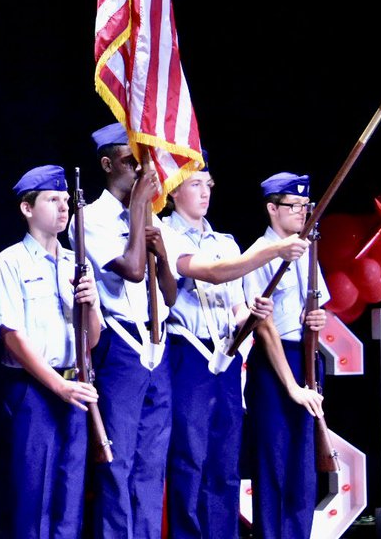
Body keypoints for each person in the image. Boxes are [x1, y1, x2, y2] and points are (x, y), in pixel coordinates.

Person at [158, 160, 307, 539]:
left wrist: (253, 315)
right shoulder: (165, 233)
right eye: (194, 184)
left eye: (208, 183)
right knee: (189, 457)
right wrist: (272, 253)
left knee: (225, 459)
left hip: (225, 354)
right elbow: (214, 272)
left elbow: (238, 307)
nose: (205, 192)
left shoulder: (225, 241)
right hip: (187, 352)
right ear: (174, 191)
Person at [73, 122, 177, 539]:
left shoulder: (153, 216)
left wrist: (164, 254)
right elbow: (133, 271)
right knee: (118, 463)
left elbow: (168, 294)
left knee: (152, 466)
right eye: (129, 161)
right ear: (106, 163)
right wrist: (137, 210)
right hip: (120, 345)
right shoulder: (90, 217)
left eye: (142, 162)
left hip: (157, 344)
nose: (139, 170)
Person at [0, 164, 102, 539]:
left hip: (75, 385)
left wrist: (89, 304)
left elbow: (93, 339)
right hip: (35, 389)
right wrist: (58, 386)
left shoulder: (77, 263)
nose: (63, 206)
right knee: (35, 499)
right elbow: (12, 336)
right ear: (27, 208)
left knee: (70, 500)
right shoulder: (11, 262)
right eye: (53, 199)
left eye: (66, 199)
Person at [244, 172, 330, 539]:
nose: (301, 212)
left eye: (305, 206)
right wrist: (292, 385)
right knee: (274, 462)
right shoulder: (258, 253)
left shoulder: (307, 250)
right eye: (293, 206)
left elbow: (315, 307)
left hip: (306, 357)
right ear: (272, 209)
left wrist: (317, 319)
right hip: (274, 367)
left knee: (303, 463)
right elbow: (264, 327)